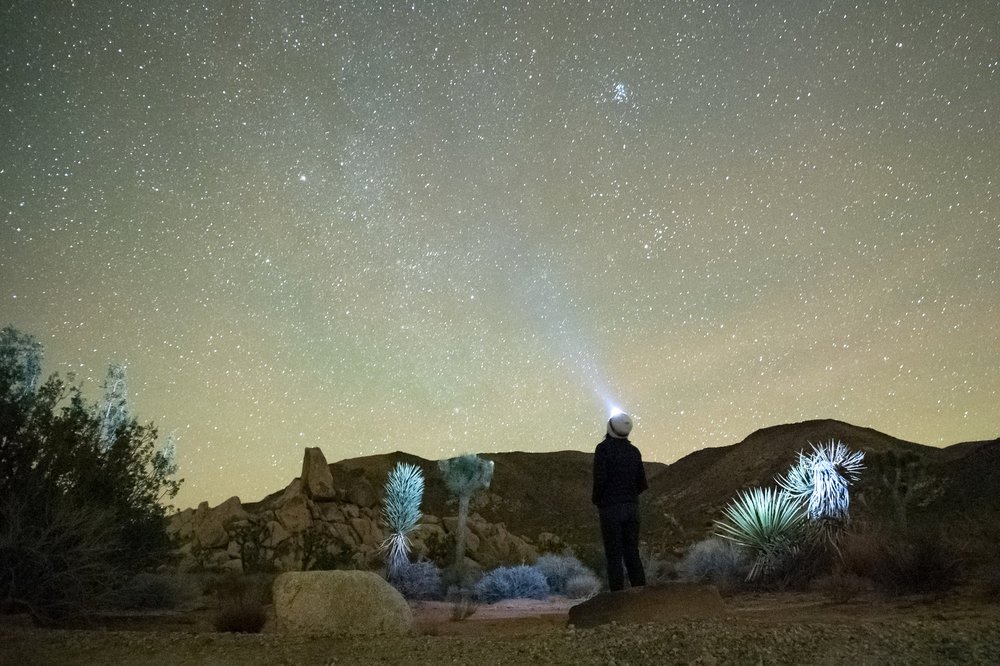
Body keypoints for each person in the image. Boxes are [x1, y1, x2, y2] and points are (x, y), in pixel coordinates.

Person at [591, 411, 648, 591]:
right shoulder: (634, 452)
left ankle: (618, 599)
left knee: (614, 555)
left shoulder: (603, 449)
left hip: (611, 509)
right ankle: (640, 595)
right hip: (632, 508)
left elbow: (600, 479)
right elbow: (642, 483)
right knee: (632, 552)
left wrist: (598, 499)